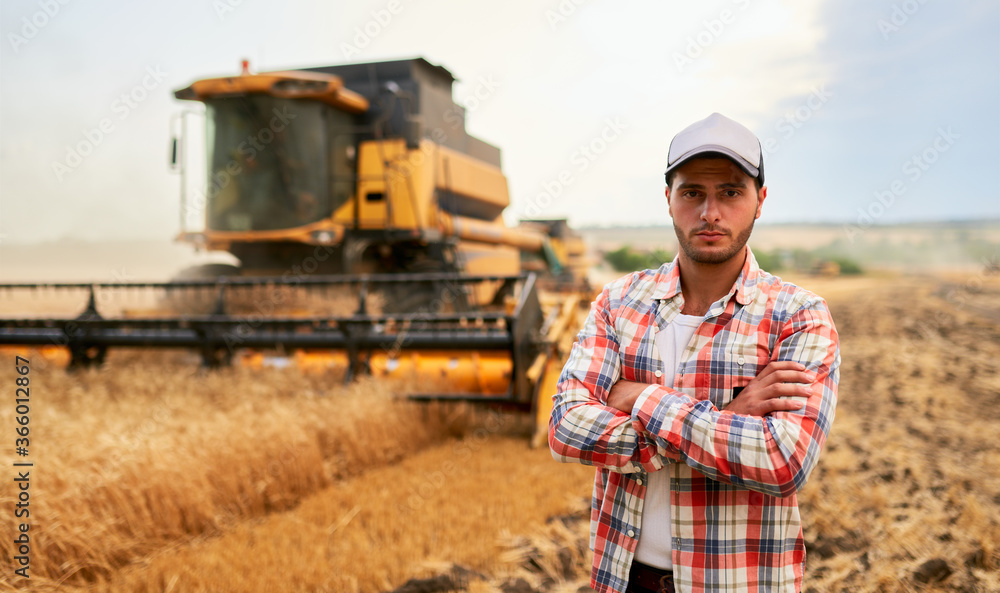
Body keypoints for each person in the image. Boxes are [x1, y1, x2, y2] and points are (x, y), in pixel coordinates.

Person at [548, 113, 840, 593]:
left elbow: (781, 460)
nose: (710, 213)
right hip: (623, 579)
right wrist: (727, 417)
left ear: (759, 201)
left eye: (730, 192)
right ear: (669, 199)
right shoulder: (619, 302)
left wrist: (643, 398)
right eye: (692, 193)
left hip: (739, 583)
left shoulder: (799, 315)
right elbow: (565, 429)